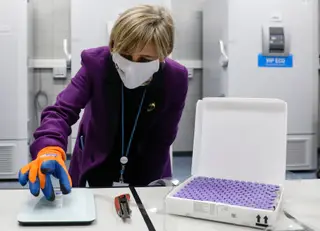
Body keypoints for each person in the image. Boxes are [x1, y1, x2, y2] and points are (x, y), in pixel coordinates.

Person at [18, 4, 188, 201]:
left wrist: (151, 189)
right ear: (113, 45)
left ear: (163, 54)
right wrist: (49, 149)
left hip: (147, 162)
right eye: (125, 55)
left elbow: (164, 136)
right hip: (96, 158)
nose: (132, 64)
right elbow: (61, 112)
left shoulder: (175, 78)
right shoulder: (96, 64)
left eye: (144, 59)